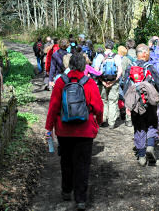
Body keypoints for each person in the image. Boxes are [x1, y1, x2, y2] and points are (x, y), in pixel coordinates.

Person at [45, 53, 103, 210]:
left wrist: (49, 128)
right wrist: (99, 120)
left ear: (69, 65)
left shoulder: (60, 82)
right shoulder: (89, 82)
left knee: (66, 161)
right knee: (82, 164)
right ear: (84, 66)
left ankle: (66, 190)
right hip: (85, 131)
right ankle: (81, 199)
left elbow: (53, 107)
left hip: (64, 131)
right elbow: (98, 106)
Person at [123, 44, 159, 166]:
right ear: (145, 53)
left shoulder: (130, 67)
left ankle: (141, 156)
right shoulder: (150, 67)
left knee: (138, 127)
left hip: (135, 104)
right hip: (150, 103)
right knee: (152, 124)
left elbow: (125, 86)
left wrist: (127, 105)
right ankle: (150, 146)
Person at [95, 40, 122, 129]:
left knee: (103, 100)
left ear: (105, 46)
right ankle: (112, 122)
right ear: (113, 47)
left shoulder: (100, 56)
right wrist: (113, 82)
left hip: (102, 82)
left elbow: (96, 71)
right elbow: (120, 71)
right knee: (113, 101)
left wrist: (102, 81)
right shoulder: (117, 56)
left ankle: (102, 119)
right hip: (114, 82)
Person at [117, 46, 132, 125]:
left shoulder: (121, 60)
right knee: (127, 99)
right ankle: (128, 118)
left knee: (122, 98)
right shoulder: (128, 59)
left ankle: (125, 115)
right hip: (129, 81)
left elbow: (122, 72)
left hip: (123, 81)